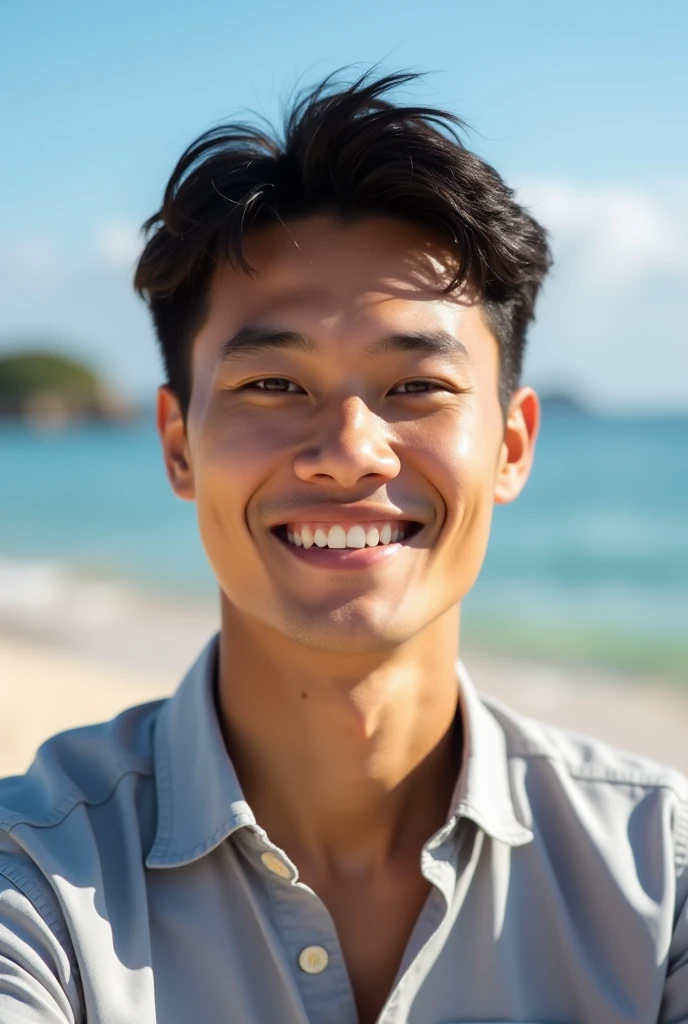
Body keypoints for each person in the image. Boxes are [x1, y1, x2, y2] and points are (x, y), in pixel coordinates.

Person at [0, 70, 686, 1024]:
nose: (350, 454)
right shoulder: (35, 881)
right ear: (178, 445)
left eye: (418, 388)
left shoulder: (661, 877)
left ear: (512, 446)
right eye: (275, 385)